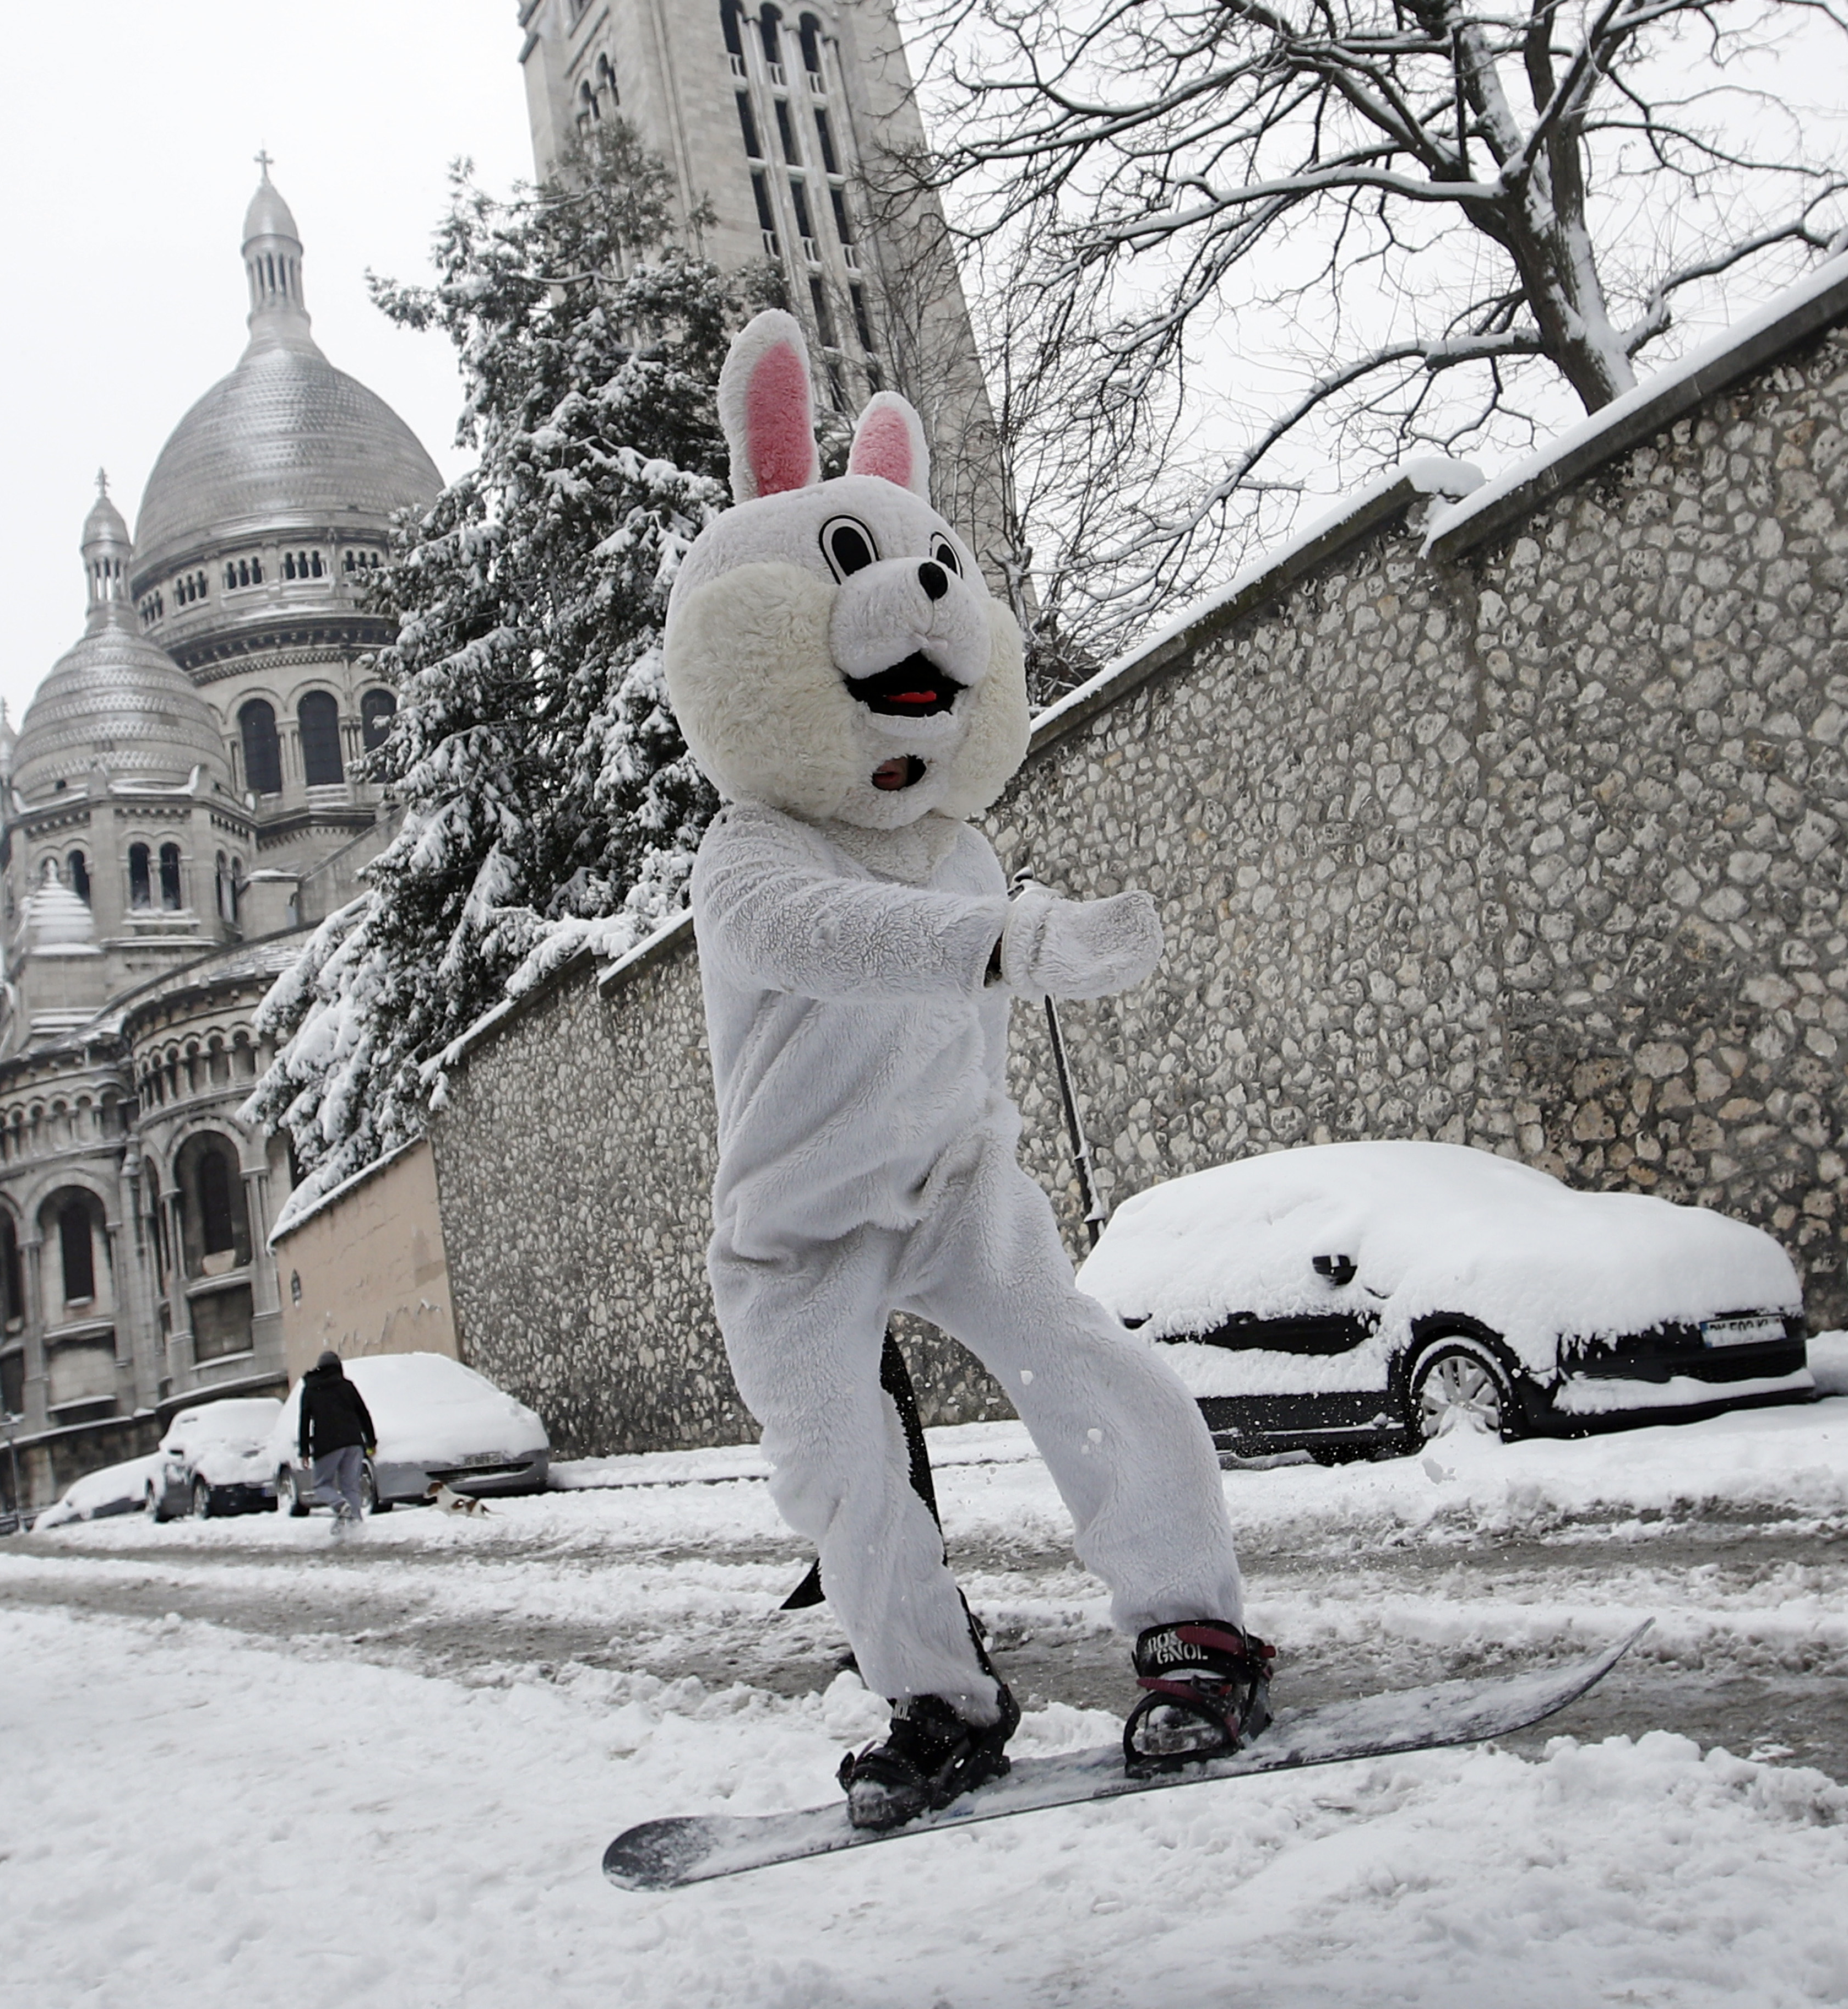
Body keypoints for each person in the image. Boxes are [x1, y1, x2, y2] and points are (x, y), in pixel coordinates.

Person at [657, 311, 1271, 1833]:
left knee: (1082, 1362)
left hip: (951, 1180)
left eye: (937, 583)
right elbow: (833, 937)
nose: (915, 616)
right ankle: (937, 1699)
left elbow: (957, 978)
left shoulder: (967, 842)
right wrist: (1010, 942)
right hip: (795, 1227)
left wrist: (1015, 958)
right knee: (842, 1476)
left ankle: (1194, 1625)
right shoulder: (747, 854)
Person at [294, 1350, 376, 1524]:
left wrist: (305, 1451)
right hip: (354, 1443)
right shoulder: (347, 1386)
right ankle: (355, 1524)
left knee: (321, 1485)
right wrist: (371, 1441)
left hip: (327, 1445)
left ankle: (340, 1506)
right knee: (350, 1487)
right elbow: (363, 1413)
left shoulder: (311, 1389)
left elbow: (304, 1421)